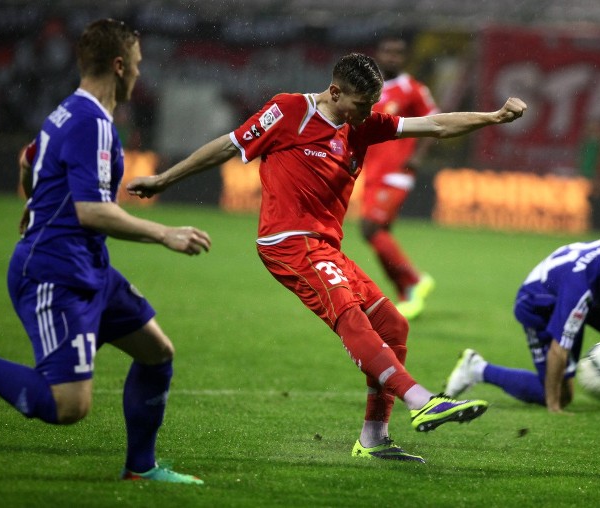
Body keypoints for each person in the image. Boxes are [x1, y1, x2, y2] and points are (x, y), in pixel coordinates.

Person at [127, 53, 527, 462]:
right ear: (335, 92)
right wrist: (163, 179)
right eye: (361, 105)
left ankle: (373, 439)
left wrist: (494, 117)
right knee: (350, 315)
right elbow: (227, 147)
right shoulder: (289, 110)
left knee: (393, 324)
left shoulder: (364, 125)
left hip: (323, 247)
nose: (368, 114)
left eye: (372, 106)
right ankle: (421, 399)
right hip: (287, 240)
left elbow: (437, 125)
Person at [0, 19, 210, 484]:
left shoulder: (69, 113)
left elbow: (28, 159)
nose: (138, 74)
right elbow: (92, 212)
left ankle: (141, 468)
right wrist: (163, 233)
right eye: (136, 64)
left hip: (88, 266)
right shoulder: (90, 122)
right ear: (118, 64)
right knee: (69, 406)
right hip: (53, 272)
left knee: (156, 352)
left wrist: (34, 202)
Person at [445, 219, 600, 417]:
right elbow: (559, 349)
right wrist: (554, 407)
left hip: (593, 297)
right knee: (562, 394)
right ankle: (477, 368)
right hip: (539, 306)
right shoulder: (579, 285)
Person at [359, 34, 439, 320]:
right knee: (378, 233)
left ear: (404, 57)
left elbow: (435, 120)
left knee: (370, 228)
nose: (392, 57)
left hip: (396, 172)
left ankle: (414, 281)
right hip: (373, 172)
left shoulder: (412, 89)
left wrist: (418, 156)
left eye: (398, 52)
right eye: (388, 51)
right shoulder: (368, 89)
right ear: (378, 54)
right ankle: (406, 293)